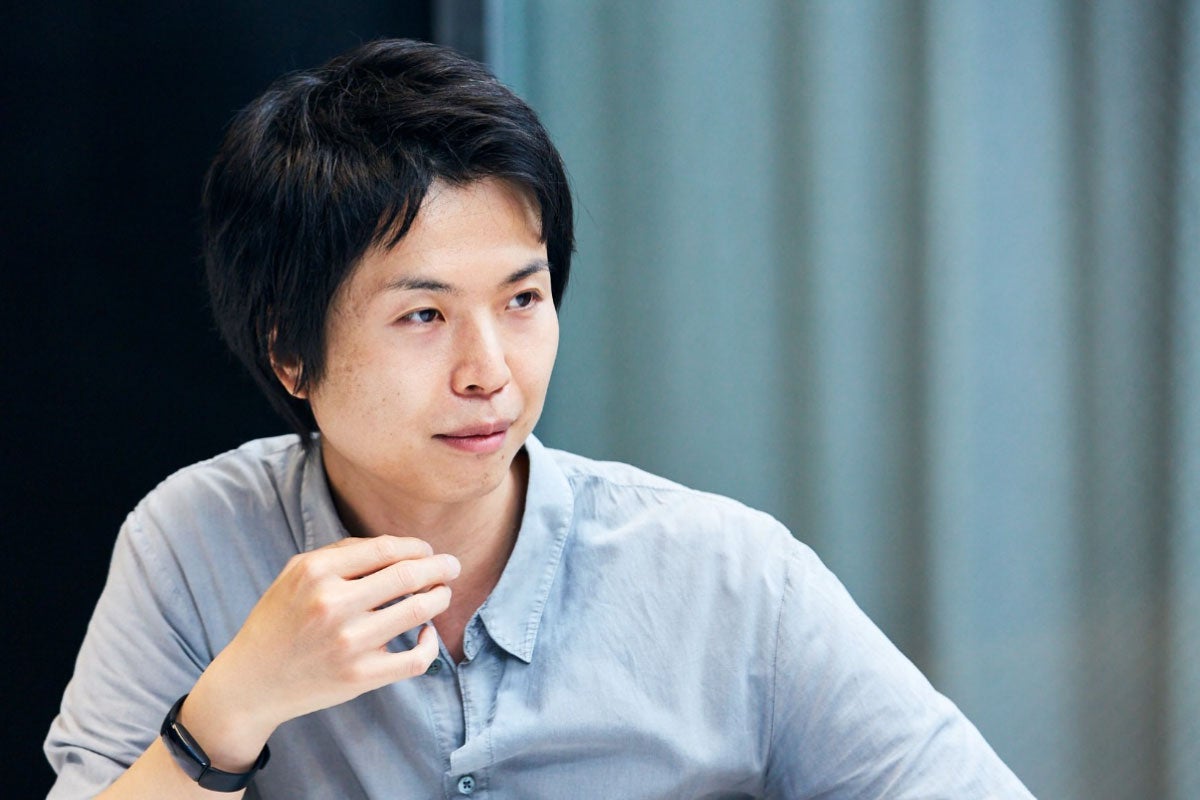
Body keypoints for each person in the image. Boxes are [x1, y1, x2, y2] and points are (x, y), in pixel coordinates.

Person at [44, 39, 1034, 799]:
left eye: (522, 299)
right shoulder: (196, 543)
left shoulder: (727, 577)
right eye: (424, 316)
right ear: (288, 352)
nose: (491, 372)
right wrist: (232, 708)